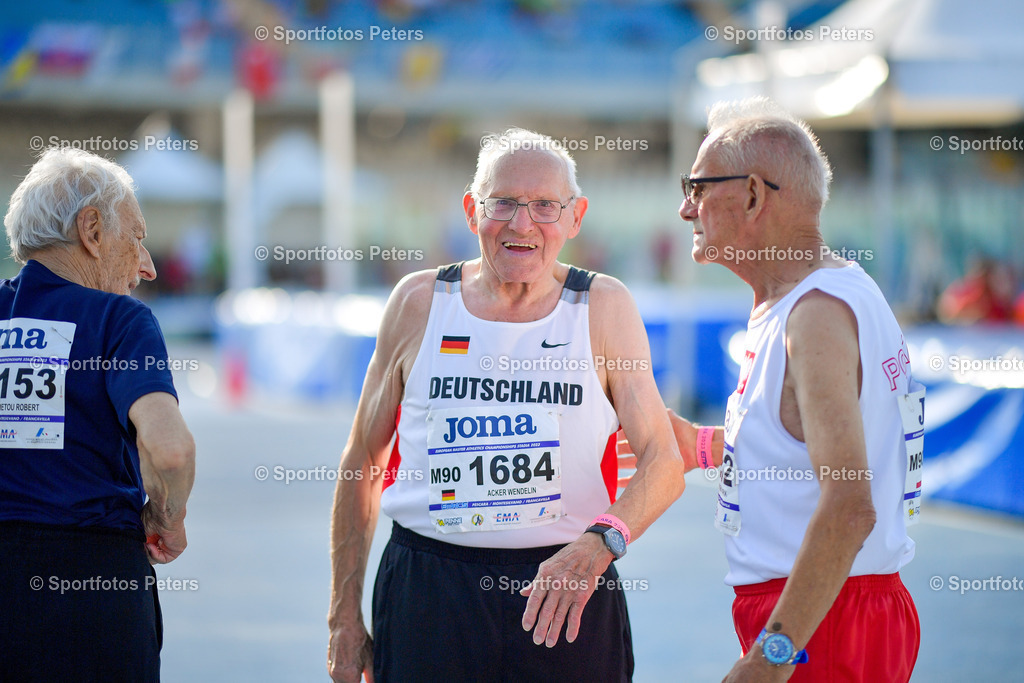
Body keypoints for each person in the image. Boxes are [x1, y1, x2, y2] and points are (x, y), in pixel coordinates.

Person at [327, 128, 687, 682]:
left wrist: (600, 544)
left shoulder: (603, 307)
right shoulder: (420, 302)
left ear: (575, 217)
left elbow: (663, 462)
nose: (523, 224)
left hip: (567, 585)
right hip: (430, 590)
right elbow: (362, 462)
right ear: (473, 211)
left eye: (545, 206)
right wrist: (343, 618)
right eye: (504, 203)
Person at [669, 98, 922, 681]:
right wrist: (707, 448)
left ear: (754, 195)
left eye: (698, 186)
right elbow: (812, 445)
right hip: (836, 605)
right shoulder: (832, 294)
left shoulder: (813, 317)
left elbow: (850, 506)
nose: (686, 209)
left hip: (822, 619)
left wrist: (771, 657)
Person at [0, 148, 196, 681]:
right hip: (90, 588)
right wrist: (168, 519)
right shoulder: (119, 320)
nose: (148, 264)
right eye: (136, 237)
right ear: (91, 230)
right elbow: (170, 448)